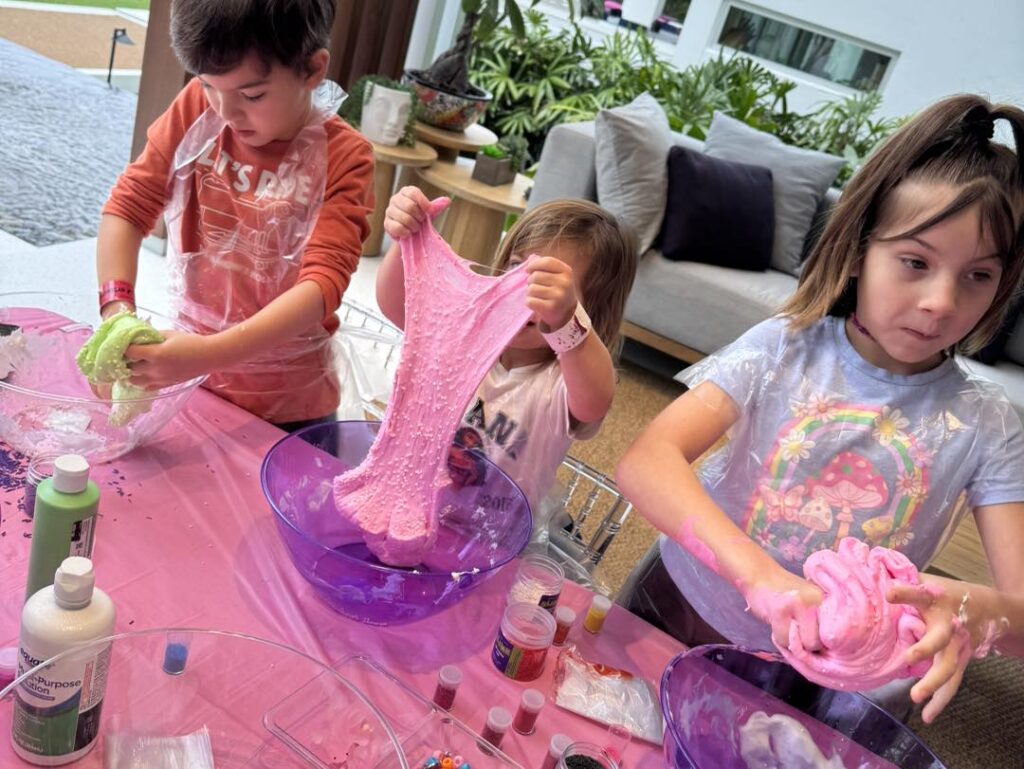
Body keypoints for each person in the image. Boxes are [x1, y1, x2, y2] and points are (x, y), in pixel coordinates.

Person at [616, 94, 1024, 724]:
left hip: (816, 676)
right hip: (682, 607)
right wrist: (759, 578)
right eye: (915, 262)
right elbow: (647, 462)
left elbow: (1021, 617)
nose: (941, 301)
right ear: (861, 248)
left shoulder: (988, 424)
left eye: (978, 276)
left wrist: (981, 610)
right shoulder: (783, 347)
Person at [95, 0, 374, 430]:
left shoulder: (344, 156)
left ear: (313, 70)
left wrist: (206, 353)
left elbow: (322, 286)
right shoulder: (197, 110)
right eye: (208, 85)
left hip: (290, 408)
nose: (225, 112)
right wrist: (117, 311)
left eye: (252, 94)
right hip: (191, 381)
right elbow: (129, 204)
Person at [379, 187, 637, 518]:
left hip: (488, 539)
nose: (526, 293)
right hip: (405, 503)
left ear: (591, 312)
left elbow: (594, 402)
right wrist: (407, 240)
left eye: (552, 288)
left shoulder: (560, 383)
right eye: (517, 268)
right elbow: (395, 305)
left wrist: (566, 322)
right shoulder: (466, 331)